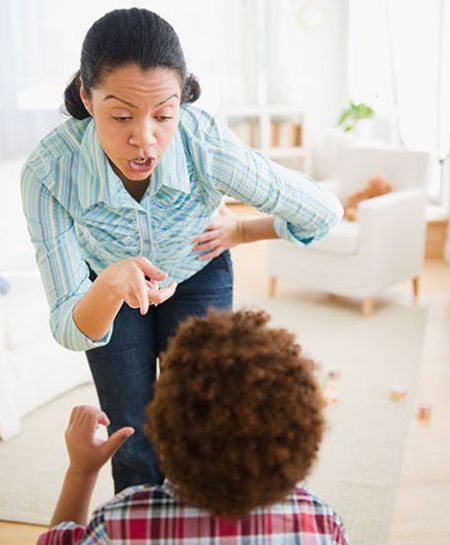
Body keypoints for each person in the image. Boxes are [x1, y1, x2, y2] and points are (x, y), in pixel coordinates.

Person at [21, 7, 343, 494]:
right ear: (87, 98)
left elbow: (322, 211)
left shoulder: (205, 143)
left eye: (164, 115)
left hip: (198, 275)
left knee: (203, 427)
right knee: (131, 435)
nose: (145, 139)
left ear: (182, 103)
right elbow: (70, 326)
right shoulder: (50, 172)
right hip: (108, 293)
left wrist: (244, 231)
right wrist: (108, 283)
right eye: (122, 115)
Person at [37, 309, 349, 545]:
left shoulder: (122, 522)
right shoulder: (319, 522)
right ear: (303, 437)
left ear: (163, 426)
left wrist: (82, 471)